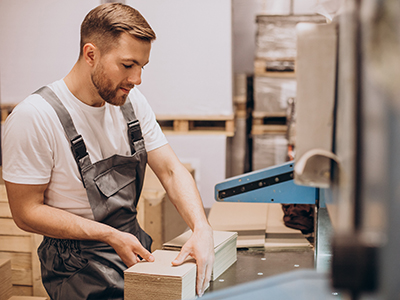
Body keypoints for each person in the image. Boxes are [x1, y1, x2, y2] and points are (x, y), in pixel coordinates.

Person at [2, 3, 214, 299]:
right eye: (128, 65)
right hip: (76, 266)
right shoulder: (35, 117)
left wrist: (201, 228)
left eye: (142, 66)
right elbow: (25, 213)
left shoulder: (131, 103)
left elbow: (170, 169)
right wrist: (107, 234)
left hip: (131, 245)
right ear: (91, 54)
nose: (137, 79)